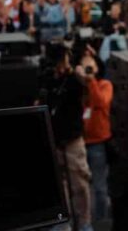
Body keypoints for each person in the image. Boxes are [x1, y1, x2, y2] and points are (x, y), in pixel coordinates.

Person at [38, 44, 93, 231]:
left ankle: (84, 222)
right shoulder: (46, 79)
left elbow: (86, 89)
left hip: (72, 140)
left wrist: (73, 71)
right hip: (53, 140)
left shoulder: (74, 80)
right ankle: (63, 223)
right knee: (58, 186)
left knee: (80, 183)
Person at [79, 50, 113, 223]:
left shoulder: (105, 84)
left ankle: (100, 221)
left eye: (91, 64)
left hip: (97, 143)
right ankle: (83, 221)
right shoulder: (78, 86)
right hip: (78, 142)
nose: (88, 68)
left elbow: (101, 102)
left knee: (99, 186)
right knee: (80, 187)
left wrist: (91, 78)